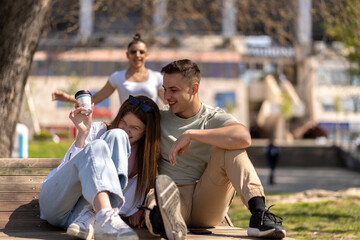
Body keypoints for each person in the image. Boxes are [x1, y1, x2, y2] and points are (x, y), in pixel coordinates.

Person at [143, 59, 286, 239]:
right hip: (173, 195)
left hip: (208, 199)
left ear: (194, 88)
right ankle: (163, 223)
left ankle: (259, 214)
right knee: (155, 200)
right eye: (165, 89)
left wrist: (192, 134)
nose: (166, 96)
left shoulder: (213, 117)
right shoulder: (158, 117)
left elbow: (244, 137)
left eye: (174, 90)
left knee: (232, 149)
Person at [39, 95, 160, 240]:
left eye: (135, 128)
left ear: (146, 131)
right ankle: (104, 215)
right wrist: (82, 134)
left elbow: (146, 189)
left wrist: (140, 208)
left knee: (115, 137)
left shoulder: (146, 159)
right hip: (57, 203)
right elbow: (67, 170)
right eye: (123, 122)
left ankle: (98, 214)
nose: (126, 130)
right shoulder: (99, 130)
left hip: (81, 220)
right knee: (107, 140)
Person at [51, 33, 165, 106]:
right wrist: (68, 98)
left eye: (141, 52)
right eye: (133, 52)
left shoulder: (157, 77)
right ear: (127, 54)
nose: (137, 55)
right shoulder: (117, 77)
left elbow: (169, 101)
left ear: (147, 55)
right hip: (128, 129)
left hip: (152, 127)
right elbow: (95, 98)